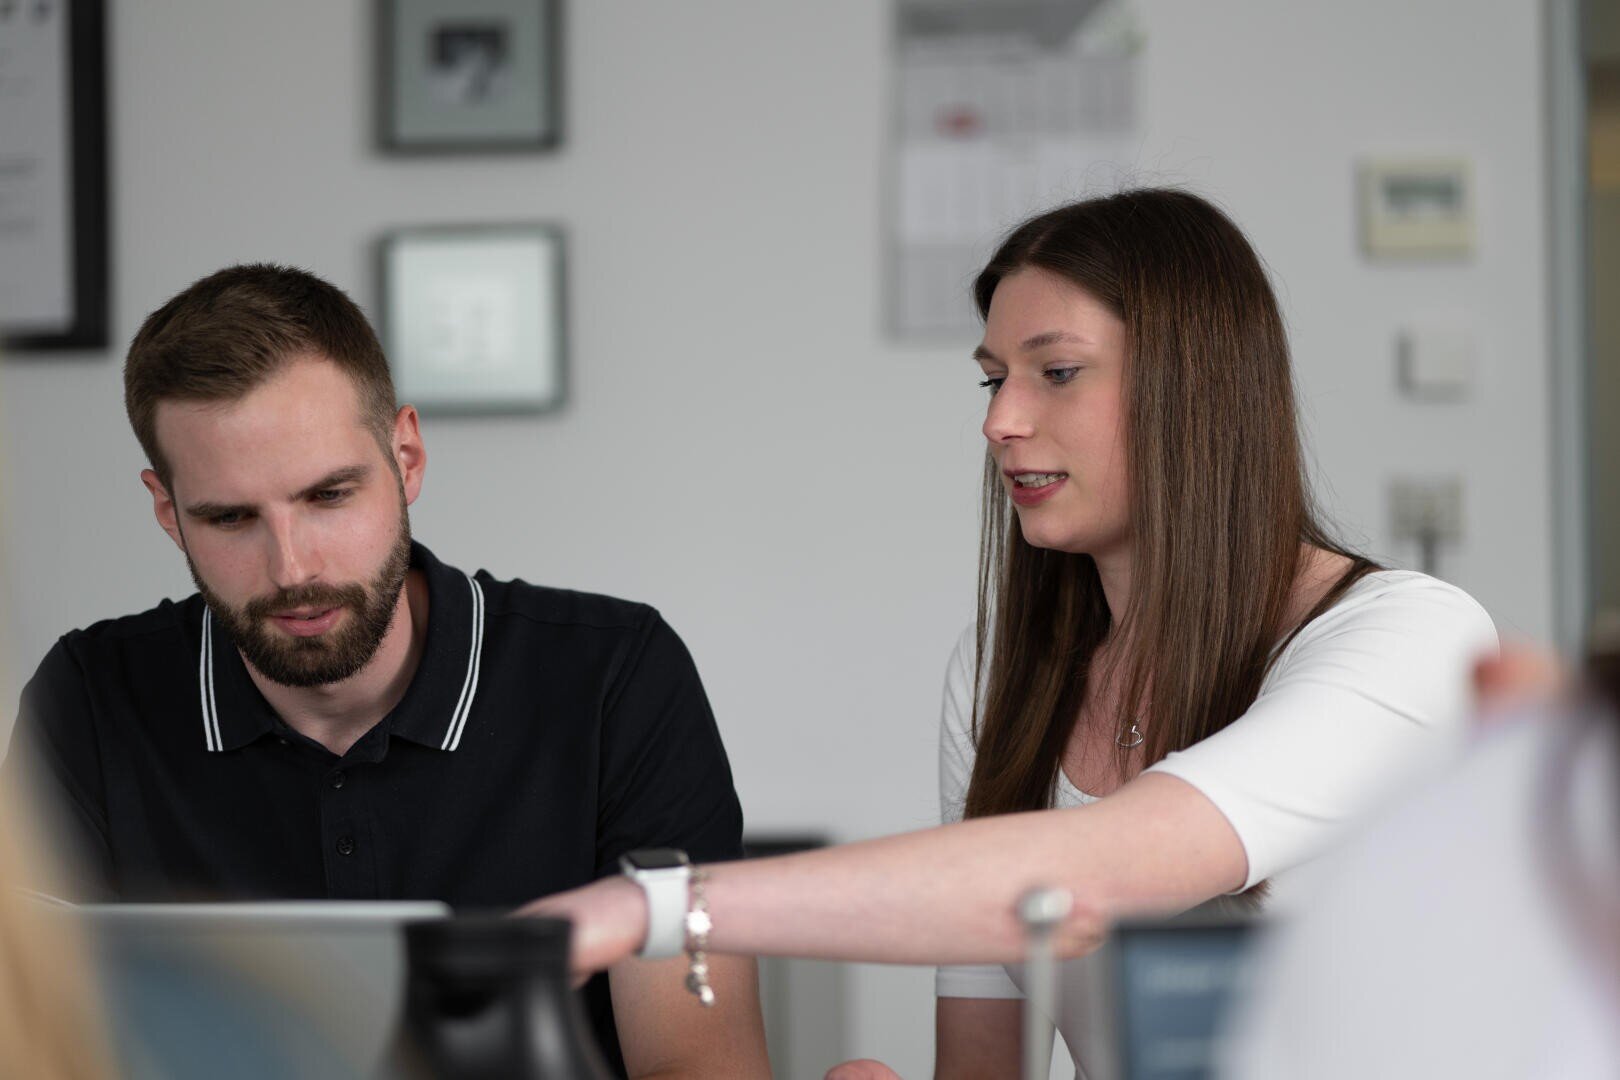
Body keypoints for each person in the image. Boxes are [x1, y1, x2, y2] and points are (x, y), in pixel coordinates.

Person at [521, 189, 1499, 1077]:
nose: (1002, 422)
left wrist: (651, 906)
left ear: (1195, 389)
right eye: (994, 380)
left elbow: (1080, 879)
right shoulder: (998, 675)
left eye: (1057, 372)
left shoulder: (1411, 644)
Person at [0, 265, 770, 1079]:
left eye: (329, 496)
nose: (292, 568)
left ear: (405, 458)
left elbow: (696, 1065)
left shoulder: (616, 676)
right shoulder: (89, 698)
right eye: (230, 518)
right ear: (168, 512)